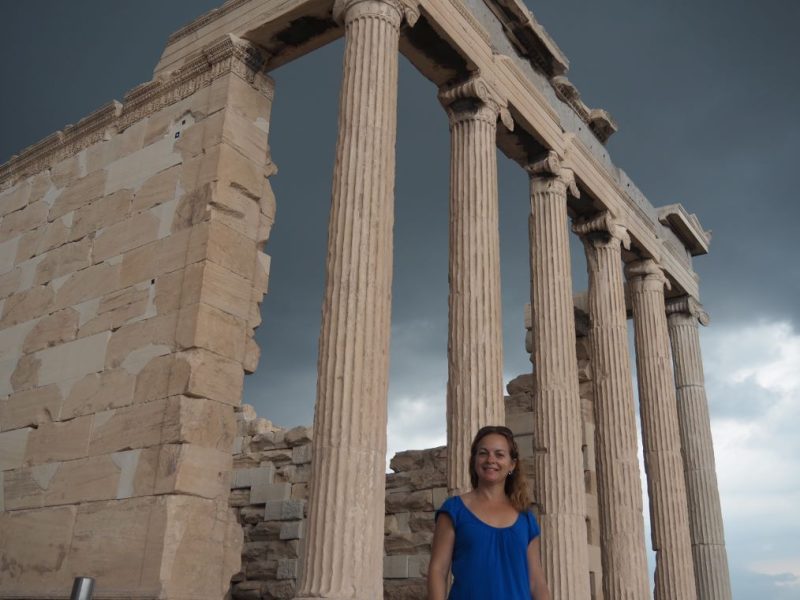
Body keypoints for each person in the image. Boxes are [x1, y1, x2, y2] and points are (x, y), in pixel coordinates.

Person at [427, 425, 551, 600]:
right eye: (483, 453)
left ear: (512, 464)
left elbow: (536, 582)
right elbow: (437, 571)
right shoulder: (454, 510)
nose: (490, 459)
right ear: (475, 460)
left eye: (499, 454)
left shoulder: (526, 519)